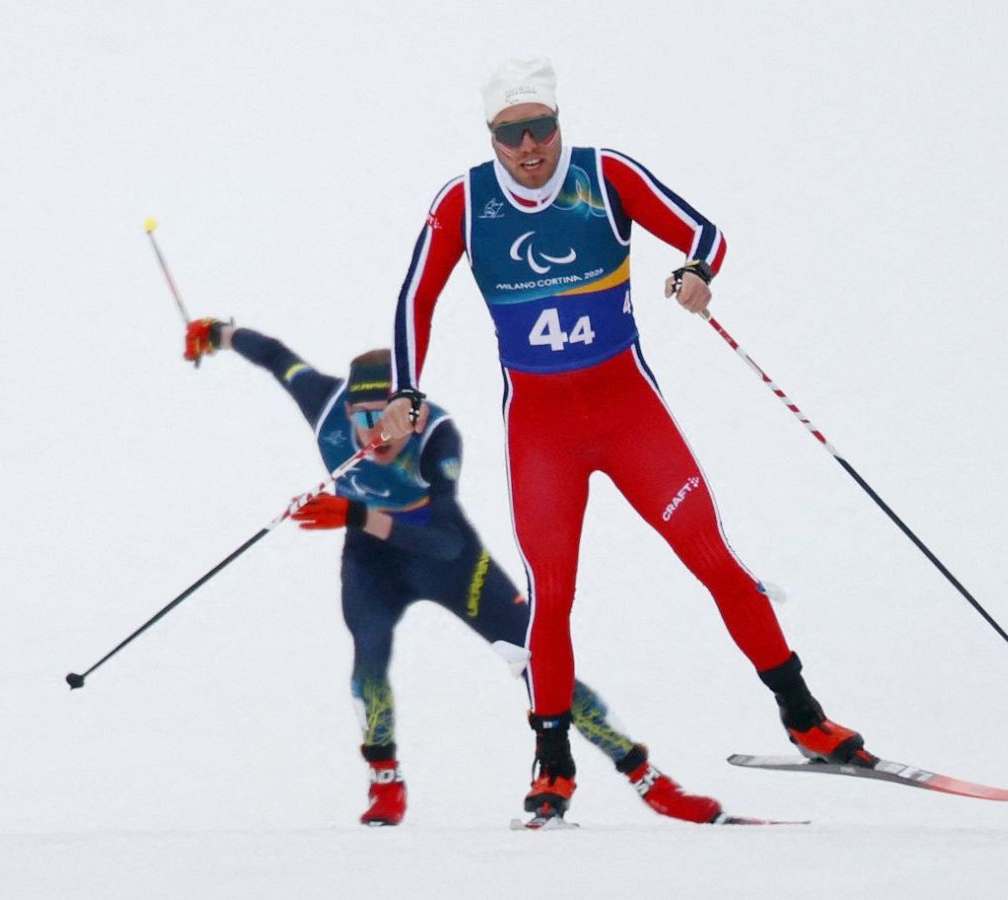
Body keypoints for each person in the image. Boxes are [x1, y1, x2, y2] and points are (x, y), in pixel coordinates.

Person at [374, 56, 876, 823]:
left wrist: (696, 273)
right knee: (552, 598)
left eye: (540, 127)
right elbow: (418, 295)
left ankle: (804, 716)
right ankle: (553, 765)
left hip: (627, 415)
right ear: (492, 137)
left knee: (715, 557)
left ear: (558, 124)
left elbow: (703, 233)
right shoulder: (465, 201)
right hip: (542, 431)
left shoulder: (605, 176)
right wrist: (406, 391)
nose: (529, 146)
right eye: (511, 134)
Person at [184, 319, 731, 825]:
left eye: (392, 418)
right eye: (365, 419)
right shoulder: (323, 402)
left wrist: (356, 514)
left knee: (533, 659)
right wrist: (220, 332)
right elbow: (278, 357)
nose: (378, 434)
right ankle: (384, 779)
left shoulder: (438, 436)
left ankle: (643, 775)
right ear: (347, 409)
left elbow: (444, 542)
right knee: (368, 654)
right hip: (373, 560)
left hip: (444, 559)